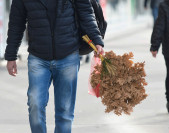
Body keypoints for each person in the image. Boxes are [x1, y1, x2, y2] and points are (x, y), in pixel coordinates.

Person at [5, 0, 104, 133]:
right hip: (38, 57)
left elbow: (86, 13)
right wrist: (11, 55)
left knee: (65, 112)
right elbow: (16, 23)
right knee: (35, 104)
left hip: (68, 55)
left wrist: (97, 39)